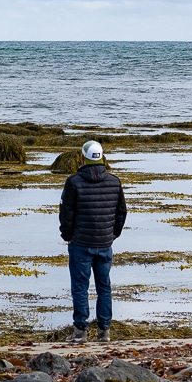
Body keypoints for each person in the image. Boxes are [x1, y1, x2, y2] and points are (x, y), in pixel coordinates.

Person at [59, 140, 127, 343]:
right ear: (103, 157)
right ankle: (104, 331)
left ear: (82, 157)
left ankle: (80, 331)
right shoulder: (114, 181)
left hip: (80, 243)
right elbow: (121, 213)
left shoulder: (73, 182)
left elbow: (66, 214)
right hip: (105, 243)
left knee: (80, 288)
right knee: (104, 287)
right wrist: (112, 234)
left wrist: (67, 235)